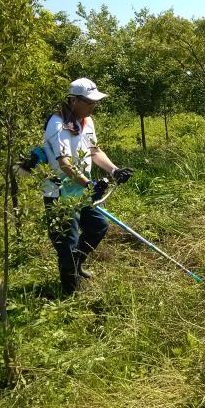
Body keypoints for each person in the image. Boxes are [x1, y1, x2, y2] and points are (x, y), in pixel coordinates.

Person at [41, 78, 134, 295]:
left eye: (95, 102)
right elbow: (64, 164)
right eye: (89, 102)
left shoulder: (87, 121)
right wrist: (88, 183)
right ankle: (69, 295)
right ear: (73, 100)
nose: (94, 106)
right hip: (59, 194)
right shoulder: (56, 124)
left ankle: (77, 265)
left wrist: (114, 170)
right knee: (67, 243)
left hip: (82, 190)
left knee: (98, 227)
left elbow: (94, 150)